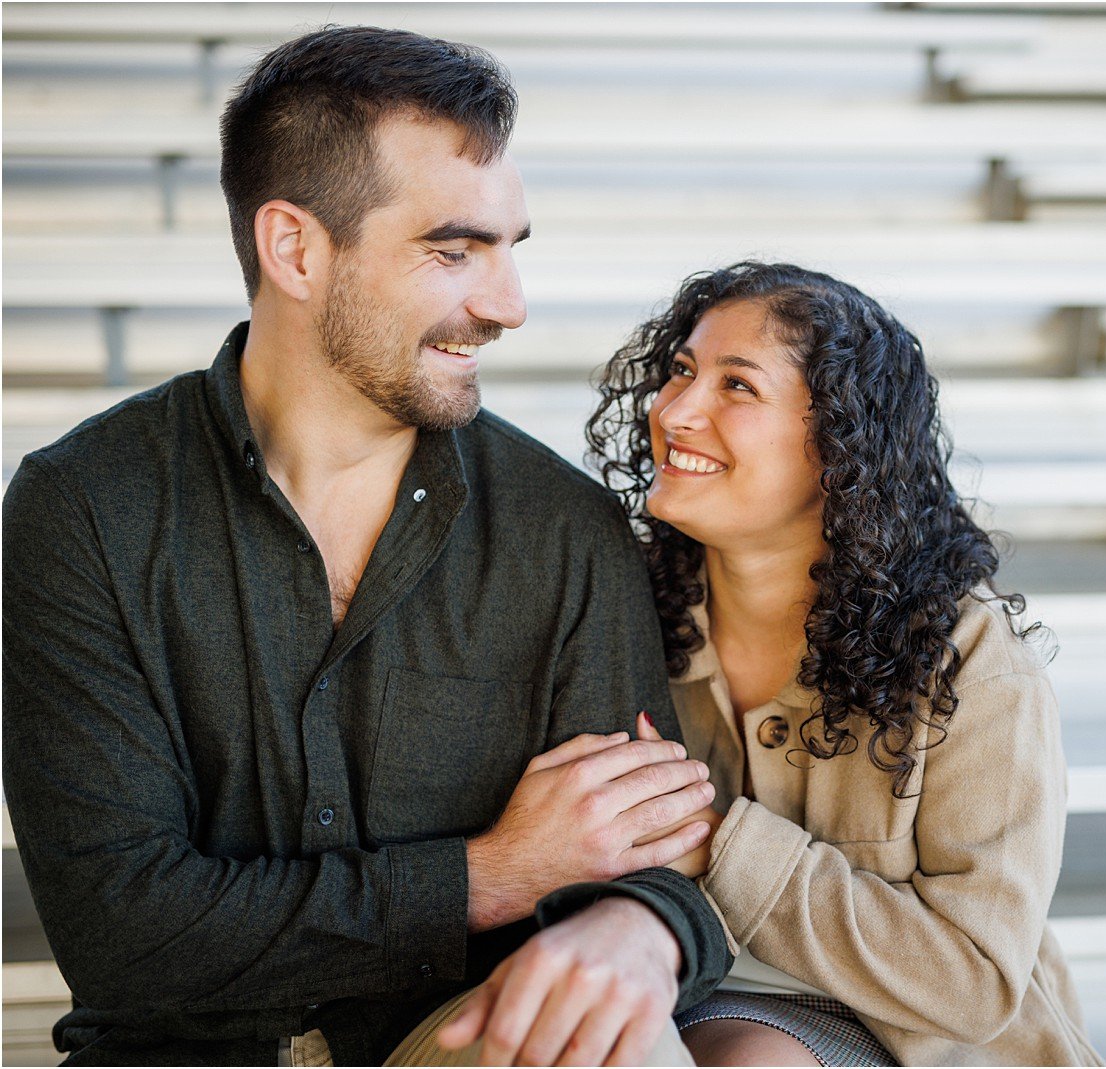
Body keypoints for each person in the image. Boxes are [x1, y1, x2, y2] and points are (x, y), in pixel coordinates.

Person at [2, 27, 730, 1067]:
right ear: (294, 247)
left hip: (460, 1045)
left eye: (510, 247)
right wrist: (489, 873)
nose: (506, 304)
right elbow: (126, 932)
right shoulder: (84, 507)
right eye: (453, 250)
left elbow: (650, 854)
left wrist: (647, 928)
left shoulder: (557, 523)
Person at [583, 262, 1106, 1067]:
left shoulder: (971, 666)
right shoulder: (620, 606)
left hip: (906, 1034)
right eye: (682, 371)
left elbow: (973, 982)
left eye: (737, 387)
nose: (676, 410)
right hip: (684, 980)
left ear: (841, 441)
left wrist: (717, 846)